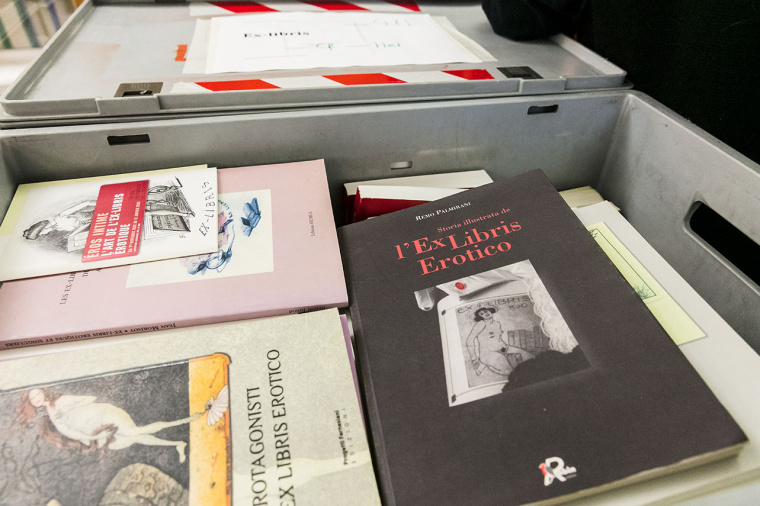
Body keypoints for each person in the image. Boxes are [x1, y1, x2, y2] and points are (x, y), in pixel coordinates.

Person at [19, 388, 201, 463]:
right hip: (96, 433)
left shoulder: (62, 400)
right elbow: (71, 432)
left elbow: (90, 399)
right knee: (134, 439)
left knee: (133, 431)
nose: (36, 399)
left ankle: (187, 420)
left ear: (43, 392)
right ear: (31, 403)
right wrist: (93, 436)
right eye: (32, 398)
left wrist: (81, 412)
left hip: (103, 416)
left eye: (37, 394)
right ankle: (178, 444)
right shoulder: (52, 415)